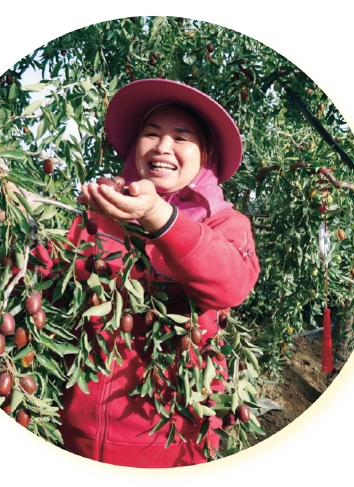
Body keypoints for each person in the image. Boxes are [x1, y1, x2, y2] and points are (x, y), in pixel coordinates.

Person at [55, 78, 260, 468]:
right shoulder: (98, 216)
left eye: (181, 137)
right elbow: (52, 286)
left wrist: (157, 216)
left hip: (172, 449)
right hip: (74, 439)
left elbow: (230, 285)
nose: (163, 146)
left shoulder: (225, 224)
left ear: (206, 154)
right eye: (151, 133)